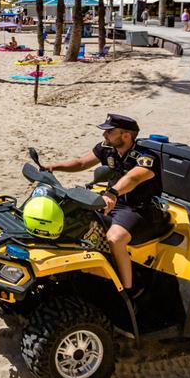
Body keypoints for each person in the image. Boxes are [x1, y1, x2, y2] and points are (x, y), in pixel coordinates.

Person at [43, 114, 161, 297]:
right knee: (73, 219)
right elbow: (81, 162)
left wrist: (113, 193)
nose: (105, 134)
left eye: (110, 131)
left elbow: (133, 177)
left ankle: (129, 289)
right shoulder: (107, 148)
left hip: (139, 209)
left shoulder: (146, 157)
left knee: (115, 239)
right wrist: (52, 166)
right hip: (110, 200)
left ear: (126, 135)